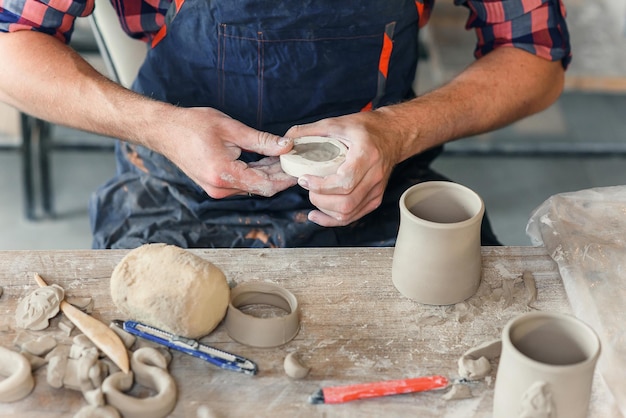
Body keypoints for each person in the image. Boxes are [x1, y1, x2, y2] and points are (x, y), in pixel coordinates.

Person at [0, 0, 571, 249]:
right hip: (177, 183)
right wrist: (158, 126)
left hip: (379, 175)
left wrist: (400, 132)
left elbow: (535, 56)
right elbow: (12, 45)